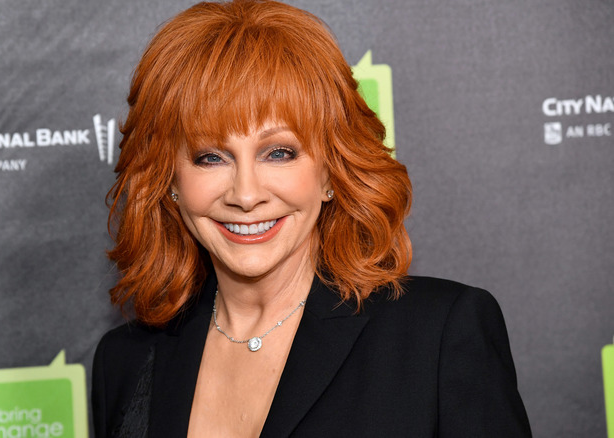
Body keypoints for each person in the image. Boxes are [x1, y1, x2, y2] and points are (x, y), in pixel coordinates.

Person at [92, 1, 531, 437]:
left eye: (278, 153)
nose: (246, 195)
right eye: (210, 157)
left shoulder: (437, 338)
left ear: (330, 172)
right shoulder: (124, 362)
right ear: (170, 180)